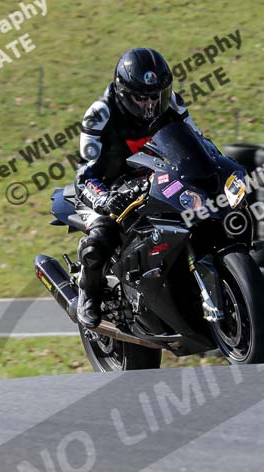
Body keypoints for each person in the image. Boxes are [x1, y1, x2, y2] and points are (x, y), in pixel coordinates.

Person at [74, 47, 212, 329]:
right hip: (110, 187)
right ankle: (88, 295)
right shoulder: (100, 114)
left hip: (158, 179)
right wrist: (103, 200)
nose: (150, 106)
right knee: (99, 240)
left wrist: (216, 163)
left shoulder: (172, 103)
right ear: (123, 92)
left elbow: (197, 141)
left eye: (155, 97)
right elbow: (84, 174)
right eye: (142, 98)